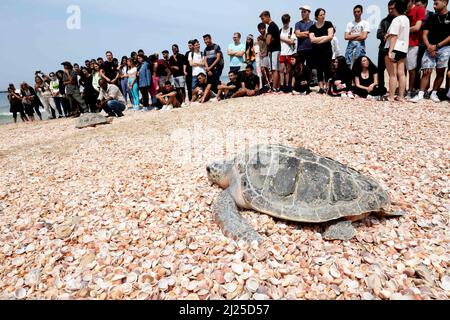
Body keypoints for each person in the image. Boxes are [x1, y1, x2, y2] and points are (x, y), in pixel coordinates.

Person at [411, 0, 450, 103]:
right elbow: (424, 34)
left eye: (436, 3)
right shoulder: (431, 17)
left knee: (440, 71)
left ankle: (434, 93)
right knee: (426, 70)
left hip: (445, 48)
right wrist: (429, 46)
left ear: (445, 2)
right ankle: (420, 94)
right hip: (430, 47)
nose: (433, 6)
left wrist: (437, 46)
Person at [385, 0, 410, 102]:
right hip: (403, 49)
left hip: (394, 47)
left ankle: (391, 96)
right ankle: (401, 96)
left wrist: (390, 51)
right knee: (401, 73)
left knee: (392, 74)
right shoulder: (406, 19)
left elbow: (394, 36)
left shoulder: (396, 20)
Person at [309, 8, 335, 94]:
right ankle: (321, 87)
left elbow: (330, 36)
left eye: (324, 14)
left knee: (327, 68)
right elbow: (312, 40)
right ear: (316, 16)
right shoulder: (312, 27)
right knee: (319, 69)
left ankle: (327, 87)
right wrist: (324, 37)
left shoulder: (328, 24)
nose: (323, 16)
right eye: (321, 15)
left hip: (327, 50)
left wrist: (318, 40)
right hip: (316, 51)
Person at [406, 0, 427, 99]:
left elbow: (417, 27)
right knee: (402, 69)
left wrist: (402, 30)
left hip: (414, 43)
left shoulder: (419, 9)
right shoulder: (404, 11)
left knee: (412, 69)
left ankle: (411, 90)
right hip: (402, 43)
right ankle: (403, 90)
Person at [414, 0, 434, 94]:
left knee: (427, 68)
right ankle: (416, 88)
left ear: (425, 4)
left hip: (428, 45)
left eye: (419, 5)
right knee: (416, 67)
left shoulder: (432, 15)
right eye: (415, 5)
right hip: (416, 44)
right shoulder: (414, 14)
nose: (416, 7)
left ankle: (425, 89)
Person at [260, 11, 282, 92]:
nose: (262, 21)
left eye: (263, 18)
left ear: (267, 16)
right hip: (274, 49)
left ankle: (274, 88)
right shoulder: (273, 26)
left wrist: (264, 38)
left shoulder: (271, 26)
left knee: (274, 69)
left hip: (274, 50)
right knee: (275, 69)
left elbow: (268, 42)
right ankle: (277, 87)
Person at [295, 5, 317, 85]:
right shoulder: (298, 23)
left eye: (304, 12)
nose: (302, 13)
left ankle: (308, 84)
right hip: (301, 49)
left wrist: (303, 33)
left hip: (311, 48)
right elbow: (297, 34)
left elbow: (313, 33)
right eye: (302, 12)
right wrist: (307, 33)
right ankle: (298, 83)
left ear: (309, 13)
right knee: (299, 67)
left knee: (309, 67)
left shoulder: (313, 23)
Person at [377, 1, 396, 91]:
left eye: (392, 8)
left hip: (396, 49)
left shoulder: (400, 19)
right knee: (380, 70)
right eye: (389, 8)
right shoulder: (384, 21)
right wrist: (384, 35)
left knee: (397, 71)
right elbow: (378, 34)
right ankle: (381, 88)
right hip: (383, 48)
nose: (390, 10)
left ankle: (397, 89)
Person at [280, 14, 297, 92]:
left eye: (286, 21)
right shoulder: (280, 30)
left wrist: (282, 39)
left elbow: (292, 41)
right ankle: (282, 86)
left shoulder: (292, 30)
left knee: (288, 70)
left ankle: (287, 85)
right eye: (284, 21)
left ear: (289, 21)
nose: (285, 23)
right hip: (281, 52)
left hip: (290, 52)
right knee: (281, 70)